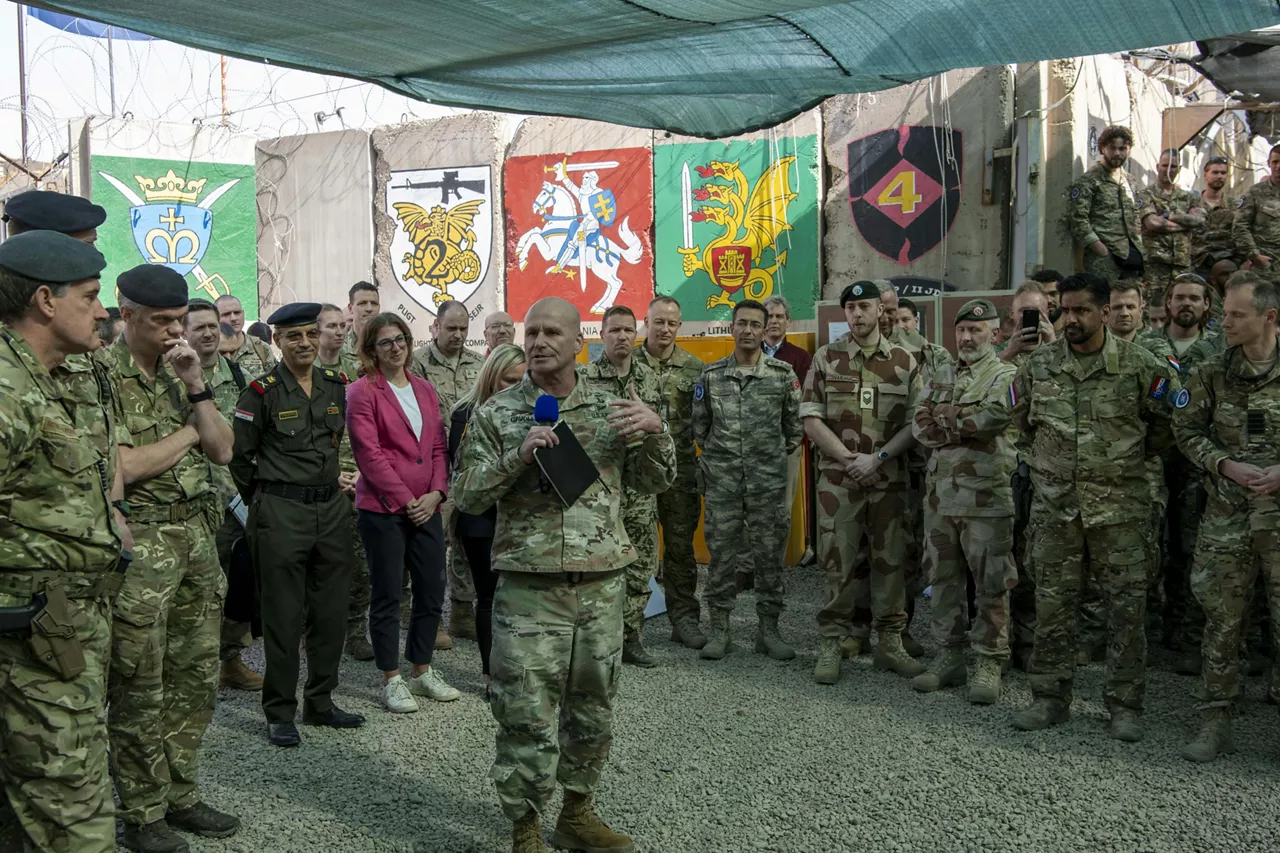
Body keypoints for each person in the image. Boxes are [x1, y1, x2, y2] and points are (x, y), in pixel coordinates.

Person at [453, 297, 674, 853]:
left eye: (553, 332)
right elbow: (467, 495)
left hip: (600, 586)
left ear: (581, 343)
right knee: (524, 711)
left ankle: (577, 814)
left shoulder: (612, 406)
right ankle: (525, 827)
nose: (539, 342)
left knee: (592, 708)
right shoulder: (498, 413)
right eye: (532, 332)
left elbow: (654, 482)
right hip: (529, 589)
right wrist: (518, 458)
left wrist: (656, 430)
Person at [102, 265, 240, 852]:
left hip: (196, 541)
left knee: (195, 677)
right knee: (140, 682)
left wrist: (196, 387)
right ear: (125, 313)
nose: (170, 333)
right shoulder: (101, 376)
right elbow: (124, 468)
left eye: (176, 322)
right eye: (158, 322)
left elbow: (224, 446)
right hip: (144, 545)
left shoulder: (185, 371)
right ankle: (141, 810)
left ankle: (180, 793)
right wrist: (186, 433)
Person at [0, 231, 129, 853]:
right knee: (73, 816)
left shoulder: (45, 376)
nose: (102, 310)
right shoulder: (7, 388)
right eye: (91, 295)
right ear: (46, 301)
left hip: (59, 631)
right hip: (25, 638)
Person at [1009, 273, 1178, 742]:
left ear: (1105, 312)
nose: (1072, 320)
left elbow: (1164, 429)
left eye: (1082, 310)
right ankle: (1050, 698)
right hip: (1056, 512)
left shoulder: (1142, 367)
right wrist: (1050, 470)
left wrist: (1121, 467)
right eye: (1064, 310)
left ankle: (1124, 705)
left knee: (1126, 610)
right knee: (1053, 606)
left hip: (1120, 513)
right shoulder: (1038, 366)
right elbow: (1020, 423)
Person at [229, 302, 366, 748]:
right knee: (284, 615)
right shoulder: (261, 392)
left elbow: (343, 442)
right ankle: (279, 711)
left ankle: (321, 702)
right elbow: (239, 459)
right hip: (281, 513)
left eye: (310, 334)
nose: (305, 343)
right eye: (294, 336)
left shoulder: (336, 386)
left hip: (330, 509)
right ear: (277, 341)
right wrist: (268, 500)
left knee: (330, 613)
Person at [1174, 274, 1280, 762]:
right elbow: (1186, 431)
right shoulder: (1212, 371)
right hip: (1228, 517)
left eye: (1237, 314)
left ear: (1269, 317)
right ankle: (1215, 721)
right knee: (1222, 621)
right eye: (1226, 313)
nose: (1225, 321)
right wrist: (1222, 462)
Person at [802, 281, 925, 683]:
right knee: (837, 562)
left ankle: (889, 643)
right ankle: (831, 643)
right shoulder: (826, 358)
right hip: (839, 483)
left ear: (880, 311)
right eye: (850, 308)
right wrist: (848, 459)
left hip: (888, 480)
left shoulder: (905, 362)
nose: (857, 314)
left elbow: (916, 423)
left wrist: (880, 457)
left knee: (890, 561)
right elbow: (811, 418)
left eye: (864, 307)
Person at [347, 312, 460, 712]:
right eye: (385, 342)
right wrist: (405, 500)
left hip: (427, 506)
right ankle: (391, 678)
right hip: (384, 509)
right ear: (371, 350)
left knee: (432, 588)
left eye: (401, 340)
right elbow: (369, 454)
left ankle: (422, 669)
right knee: (388, 593)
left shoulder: (425, 390)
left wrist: (437, 493)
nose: (395, 348)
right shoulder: (362, 392)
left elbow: (436, 448)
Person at [910, 298, 1017, 702]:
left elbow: (991, 419)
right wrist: (955, 421)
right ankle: (949, 657)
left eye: (976, 330)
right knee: (943, 580)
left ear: (996, 333)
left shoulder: (1007, 374)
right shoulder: (940, 374)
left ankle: (989, 662)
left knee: (991, 581)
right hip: (940, 499)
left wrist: (946, 418)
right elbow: (919, 424)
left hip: (986, 499)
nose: (967, 337)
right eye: (961, 331)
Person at [694, 299, 804, 661]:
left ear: (765, 329)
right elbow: (700, 428)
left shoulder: (783, 375)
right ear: (731, 328)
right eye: (741, 323)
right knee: (722, 557)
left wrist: (764, 458)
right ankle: (720, 629)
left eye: (756, 325)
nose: (748, 330)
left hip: (767, 483)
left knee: (769, 558)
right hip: (723, 483)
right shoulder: (710, 377)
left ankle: (768, 631)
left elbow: (794, 429)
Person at [182, 299, 263, 693]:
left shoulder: (240, 375)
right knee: (198, 589)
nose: (209, 333)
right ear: (184, 333)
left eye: (213, 326)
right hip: (194, 503)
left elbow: (254, 438)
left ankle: (230, 659)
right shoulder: (173, 379)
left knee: (238, 585)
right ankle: (193, 668)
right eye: (199, 327)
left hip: (237, 504)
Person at [582, 306, 665, 667]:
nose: (622, 337)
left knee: (641, 565)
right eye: (614, 330)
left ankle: (631, 635)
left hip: (640, 491)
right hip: (601, 489)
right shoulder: (584, 378)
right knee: (597, 567)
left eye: (629, 331)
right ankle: (598, 640)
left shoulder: (649, 378)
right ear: (601, 334)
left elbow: (662, 432)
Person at [448, 344, 527, 690]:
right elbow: (463, 471)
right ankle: (490, 674)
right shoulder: (465, 413)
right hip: (481, 518)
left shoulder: (532, 410)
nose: (515, 387)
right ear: (491, 376)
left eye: (522, 380)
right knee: (490, 597)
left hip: (522, 517)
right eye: (508, 380)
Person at [876, 281, 947, 653]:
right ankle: (857, 630)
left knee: (907, 552)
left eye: (892, 310)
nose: (886, 317)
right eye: (881, 309)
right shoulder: (850, 354)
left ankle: (900, 629)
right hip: (866, 470)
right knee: (860, 551)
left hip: (912, 470)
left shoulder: (931, 356)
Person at [410, 299, 485, 646]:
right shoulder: (418, 364)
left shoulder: (478, 364)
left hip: (470, 467)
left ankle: (461, 611)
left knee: (468, 542)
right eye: (451, 328)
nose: (457, 335)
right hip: (434, 469)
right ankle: (430, 617)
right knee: (431, 546)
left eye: (463, 329)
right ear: (435, 327)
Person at [635, 296, 706, 648]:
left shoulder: (695, 369)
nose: (664, 329)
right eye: (658, 321)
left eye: (672, 323)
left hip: (680, 474)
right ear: (645, 322)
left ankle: (685, 619)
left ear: (679, 326)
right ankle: (630, 626)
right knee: (635, 548)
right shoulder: (627, 364)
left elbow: (704, 424)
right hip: (637, 476)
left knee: (680, 549)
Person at [318, 303, 372, 661]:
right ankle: (320, 631)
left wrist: (367, 474)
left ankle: (355, 631)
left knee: (360, 562)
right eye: (331, 326)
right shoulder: (303, 372)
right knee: (319, 562)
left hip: (360, 479)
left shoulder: (359, 372)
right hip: (320, 480)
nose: (339, 332)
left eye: (343, 325)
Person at [762, 294, 814, 548]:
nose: (773, 321)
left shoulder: (801, 357)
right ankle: (750, 567)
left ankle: (775, 568)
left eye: (779, 316)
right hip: (749, 443)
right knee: (750, 506)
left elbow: (804, 402)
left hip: (786, 445)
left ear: (789, 321)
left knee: (781, 508)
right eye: (768, 316)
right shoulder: (746, 352)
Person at [1067, 126, 1145, 286]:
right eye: (1112, 148)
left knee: (1131, 302)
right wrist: (1100, 249)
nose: (1117, 153)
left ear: (1129, 149)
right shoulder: (1090, 180)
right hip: (1103, 260)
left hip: (1130, 256)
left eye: (1122, 148)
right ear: (1102, 148)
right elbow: (1078, 220)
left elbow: (1135, 216)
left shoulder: (1129, 180)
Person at [1140, 148, 1205, 306]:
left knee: (1180, 308)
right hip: (1155, 266)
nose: (1169, 170)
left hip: (1181, 266)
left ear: (1179, 169)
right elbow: (1153, 223)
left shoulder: (1189, 197)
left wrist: (1170, 216)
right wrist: (1186, 224)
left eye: (1174, 166)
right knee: (1153, 311)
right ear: (1157, 167)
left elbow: (1200, 220)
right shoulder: (1146, 194)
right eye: (1165, 165)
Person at [1232, 143, 1280, 283]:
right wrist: (1254, 255)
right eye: (1275, 162)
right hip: (1266, 268)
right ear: (1269, 163)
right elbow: (1240, 226)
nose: (1278, 166)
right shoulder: (1255, 193)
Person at [1192, 156, 1239, 277]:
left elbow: (1241, 234)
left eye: (1223, 173)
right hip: (1196, 265)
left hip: (1226, 267)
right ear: (1205, 175)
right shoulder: (1191, 202)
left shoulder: (1235, 206)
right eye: (1215, 172)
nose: (1219, 176)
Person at [216, 295, 277, 378]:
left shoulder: (261, 348)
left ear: (243, 314)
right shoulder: (209, 350)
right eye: (226, 314)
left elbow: (274, 382)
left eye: (237, 313)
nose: (233, 318)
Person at [342, 281, 381, 356]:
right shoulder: (338, 347)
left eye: (374, 303)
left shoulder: (390, 344)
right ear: (350, 308)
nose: (369, 309)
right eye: (362, 303)